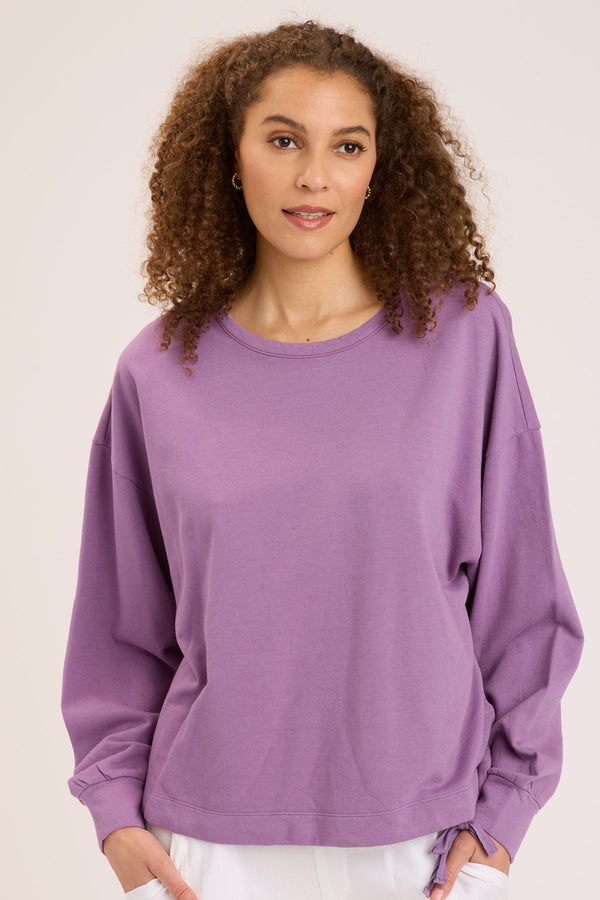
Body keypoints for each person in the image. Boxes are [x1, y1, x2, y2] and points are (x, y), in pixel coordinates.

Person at [61, 19, 585, 900]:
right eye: (283, 141)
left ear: (379, 167)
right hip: (205, 848)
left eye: (347, 146)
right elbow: (119, 632)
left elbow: (525, 608)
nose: (315, 176)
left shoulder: (465, 339)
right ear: (232, 159)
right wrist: (115, 815)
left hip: (426, 843)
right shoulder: (156, 371)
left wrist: (504, 817)